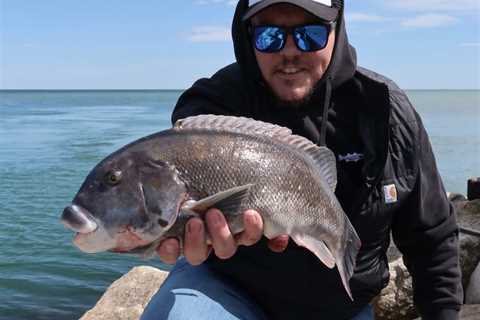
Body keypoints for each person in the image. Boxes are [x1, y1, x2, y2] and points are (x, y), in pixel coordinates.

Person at [141, 1, 463, 319]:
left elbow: (430, 233)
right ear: (247, 35)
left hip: (342, 306)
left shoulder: (384, 111)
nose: (290, 51)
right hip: (229, 289)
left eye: (311, 35)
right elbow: (173, 176)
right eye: (270, 36)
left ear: (337, 31)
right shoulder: (215, 104)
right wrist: (164, 234)